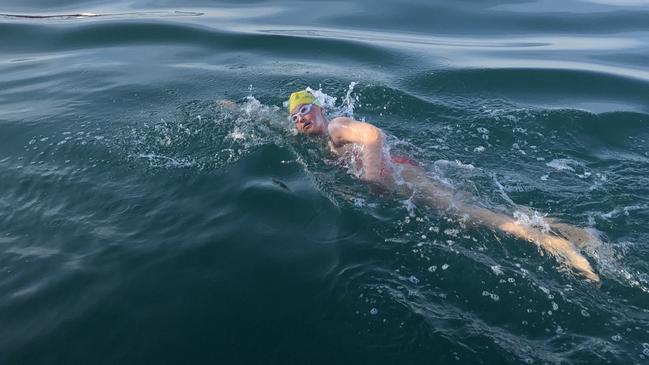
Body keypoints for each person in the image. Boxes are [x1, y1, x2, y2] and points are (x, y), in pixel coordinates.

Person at [288, 89, 601, 282]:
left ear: (320, 108)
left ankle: (554, 244)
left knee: (465, 213)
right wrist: (236, 107)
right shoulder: (324, 139)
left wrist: (373, 179)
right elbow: (271, 119)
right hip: (406, 172)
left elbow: (372, 136)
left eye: (305, 109)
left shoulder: (337, 126)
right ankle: (570, 231)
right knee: (476, 209)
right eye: (295, 117)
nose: (300, 119)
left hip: (403, 176)